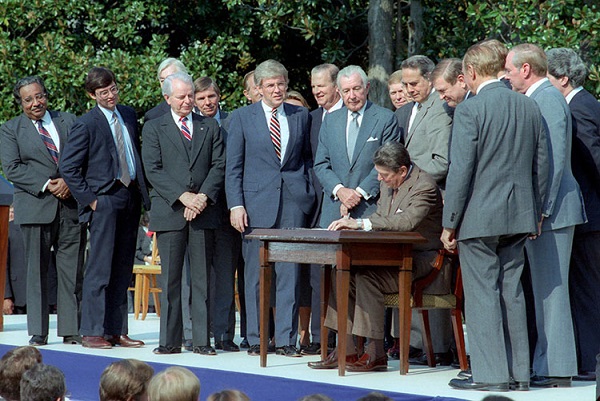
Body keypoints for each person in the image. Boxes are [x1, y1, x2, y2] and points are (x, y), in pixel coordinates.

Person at [442, 42, 548, 391]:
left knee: (483, 295)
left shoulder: (470, 111)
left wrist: (449, 222)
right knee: (511, 293)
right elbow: (542, 166)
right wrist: (538, 213)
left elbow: (461, 172)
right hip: (520, 215)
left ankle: (491, 375)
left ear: (470, 72)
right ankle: (519, 374)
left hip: (478, 219)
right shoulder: (529, 106)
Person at [310, 142, 447, 372]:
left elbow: (406, 223)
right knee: (343, 271)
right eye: (378, 174)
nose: (380, 180)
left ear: (402, 171)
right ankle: (346, 348)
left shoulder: (425, 185)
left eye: (385, 175)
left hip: (422, 260)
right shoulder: (388, 184)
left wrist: (361, 223)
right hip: (393, 256)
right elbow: (383, 217)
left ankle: (375, 353)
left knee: (367, 277)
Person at [505, 43, 586, 388]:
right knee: (544, 292)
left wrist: (540, 211)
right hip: (546, 213)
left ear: (526, 69)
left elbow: (551, 163)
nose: (506, 76)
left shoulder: (548, 100)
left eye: (509, 69)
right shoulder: (540, 99)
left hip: (552, 214)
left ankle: (556, 369)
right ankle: (547, 365)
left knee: (551, 294)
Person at [226, 59, 316, 357]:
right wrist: (236, 205)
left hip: (292, 203)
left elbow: (307, 160)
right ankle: (256, 337)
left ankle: (286, 340)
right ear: (259, 89)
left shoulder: (301, 115)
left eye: (281, 84)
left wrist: (305, 192)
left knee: (289, 273)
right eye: (271, 85)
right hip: (254, 205)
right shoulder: (241, 118)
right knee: (255, 275)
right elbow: (234, 167)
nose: (277, 90)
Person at [60, 67, 150, 349]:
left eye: (113, 89)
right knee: (99, 268)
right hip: (104, 199)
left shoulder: (129, 114)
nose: (110, 96)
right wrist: (92, 200)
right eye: (103, 92)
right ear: (92, 95)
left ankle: (117, 330)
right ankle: (92, 331)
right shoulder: (86, 124)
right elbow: (69, 168)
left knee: (123, 267)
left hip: (130, 196)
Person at [142, 72, 225, 356]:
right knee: (172, 279)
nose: (189, 101)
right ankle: (169, 341)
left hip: (203, 212)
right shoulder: (154, 128)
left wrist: (202, 197)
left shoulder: (209, 126)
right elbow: (153, 169)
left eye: (191, 95)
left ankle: (202, 340)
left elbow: (219, 165)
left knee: (202, 279)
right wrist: (183, 196)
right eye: (182, 97)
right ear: (167, 99)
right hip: (170, 211)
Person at [0, 76, 86, 346]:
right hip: (35, 207)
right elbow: (12, 168)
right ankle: (39, 331)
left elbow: (85, 157)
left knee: (72, 271)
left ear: (46, 95)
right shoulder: (10, 129)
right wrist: (49, 184)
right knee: (36, 272)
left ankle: (71, 329)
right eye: (28, 99)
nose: (36, 103)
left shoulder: (69, 120)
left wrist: (69, 183)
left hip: (70, 206)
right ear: (21, 103)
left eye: (39, 96)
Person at [546, 47, 600, 382]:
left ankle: (590, 362)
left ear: (563, 78)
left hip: (590, 216)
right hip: (587, 215)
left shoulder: (579, 108)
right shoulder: (582, 104)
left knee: (587, 290)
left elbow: (594, 160)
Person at [314, 65, 400, 226]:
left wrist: (358, 193)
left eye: (356, 89)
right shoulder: (330, 120)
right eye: (346, 91)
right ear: (339, 92)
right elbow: (321, 164)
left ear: (367, 88)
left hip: (371, 209)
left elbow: (388, 164)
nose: (352, 96)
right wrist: (340, 190)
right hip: (334, 210)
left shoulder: (385, 119)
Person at [192, 76, 240, 352]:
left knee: (225, 273)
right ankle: (197, 332)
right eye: (202, 98)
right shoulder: (192, 125)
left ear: (219, 96)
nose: (208, 102)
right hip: (199, 208)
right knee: (199, 276)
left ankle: (224, 334)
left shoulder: (235, 121)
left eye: (211, 96)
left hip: (229, 209)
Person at [401, 55, 453, 187]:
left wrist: (407, 181)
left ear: (430, 79)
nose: (409, 90)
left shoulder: (439, 107)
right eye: (405, 84)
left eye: (413, 84)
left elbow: (441, 163)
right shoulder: (413, 107)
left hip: (428, 190)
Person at [144, 58, 188, 122]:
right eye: (162, 80)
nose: (165, 84)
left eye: (169, 79)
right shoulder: (153, 116)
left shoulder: (203, 107)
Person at [3, 206, 27, 315]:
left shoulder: (43, 229)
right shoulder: (8, 230)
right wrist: (6, 296)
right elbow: (3, 266)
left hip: (42, 299)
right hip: (17, 298)